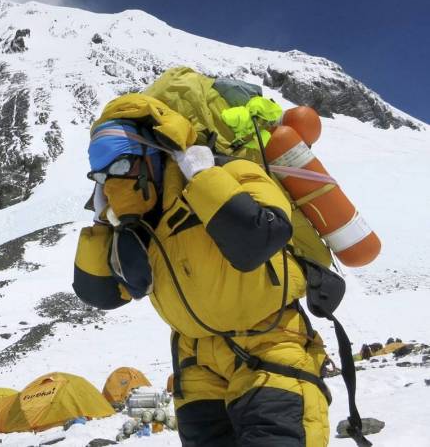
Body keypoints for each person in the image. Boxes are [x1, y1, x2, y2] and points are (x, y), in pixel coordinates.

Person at [74, 93, 336, 446]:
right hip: (196, 367)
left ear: (154, 155)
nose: (111, 181)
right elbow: (99, 293)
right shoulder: (135, 229)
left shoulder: (232, 172)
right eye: (101, 174)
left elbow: (260, 236)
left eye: (119, 166)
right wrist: (101, 223)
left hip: (270, 349)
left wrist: (202, 175)